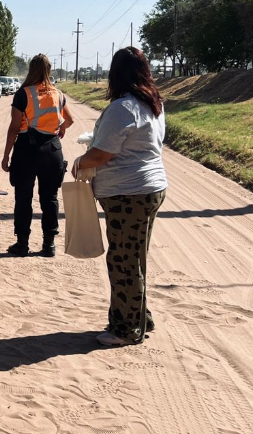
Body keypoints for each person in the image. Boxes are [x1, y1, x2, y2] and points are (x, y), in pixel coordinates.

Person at [73, 47, 167, 346]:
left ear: (116, 74)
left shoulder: (123, 108)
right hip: (147, 189)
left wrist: (80, 162)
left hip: (129, 193)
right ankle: (140, 317)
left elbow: (103, 153)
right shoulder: (152, 104)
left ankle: (126, 330)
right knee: (133, 257)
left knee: (124, 260)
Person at [1, 54, 74, 257]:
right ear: (49, 71)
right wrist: (62, 129)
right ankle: (49, 244)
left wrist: (6, 156)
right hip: (52, 150)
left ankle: (22, 244)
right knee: (49, 198)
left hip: (27, 149)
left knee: (23, 197)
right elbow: (70, 119)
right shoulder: (58, 94)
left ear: (31, 69)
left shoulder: (23, 94)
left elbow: (15, 127)